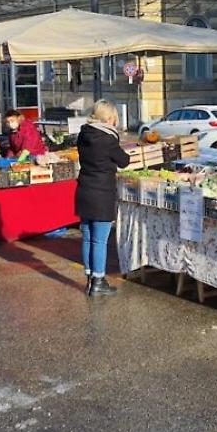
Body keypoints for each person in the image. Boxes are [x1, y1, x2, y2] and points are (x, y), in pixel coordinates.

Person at [75, 99, 130, 296]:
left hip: (84, 191)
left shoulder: (83, 134)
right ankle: (99, 281)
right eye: (114, 118)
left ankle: (90, 278)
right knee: (99, 241)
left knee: (88, 237)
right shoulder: (108, 139)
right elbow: (124, 161)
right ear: (108, 117)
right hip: (101, 194)